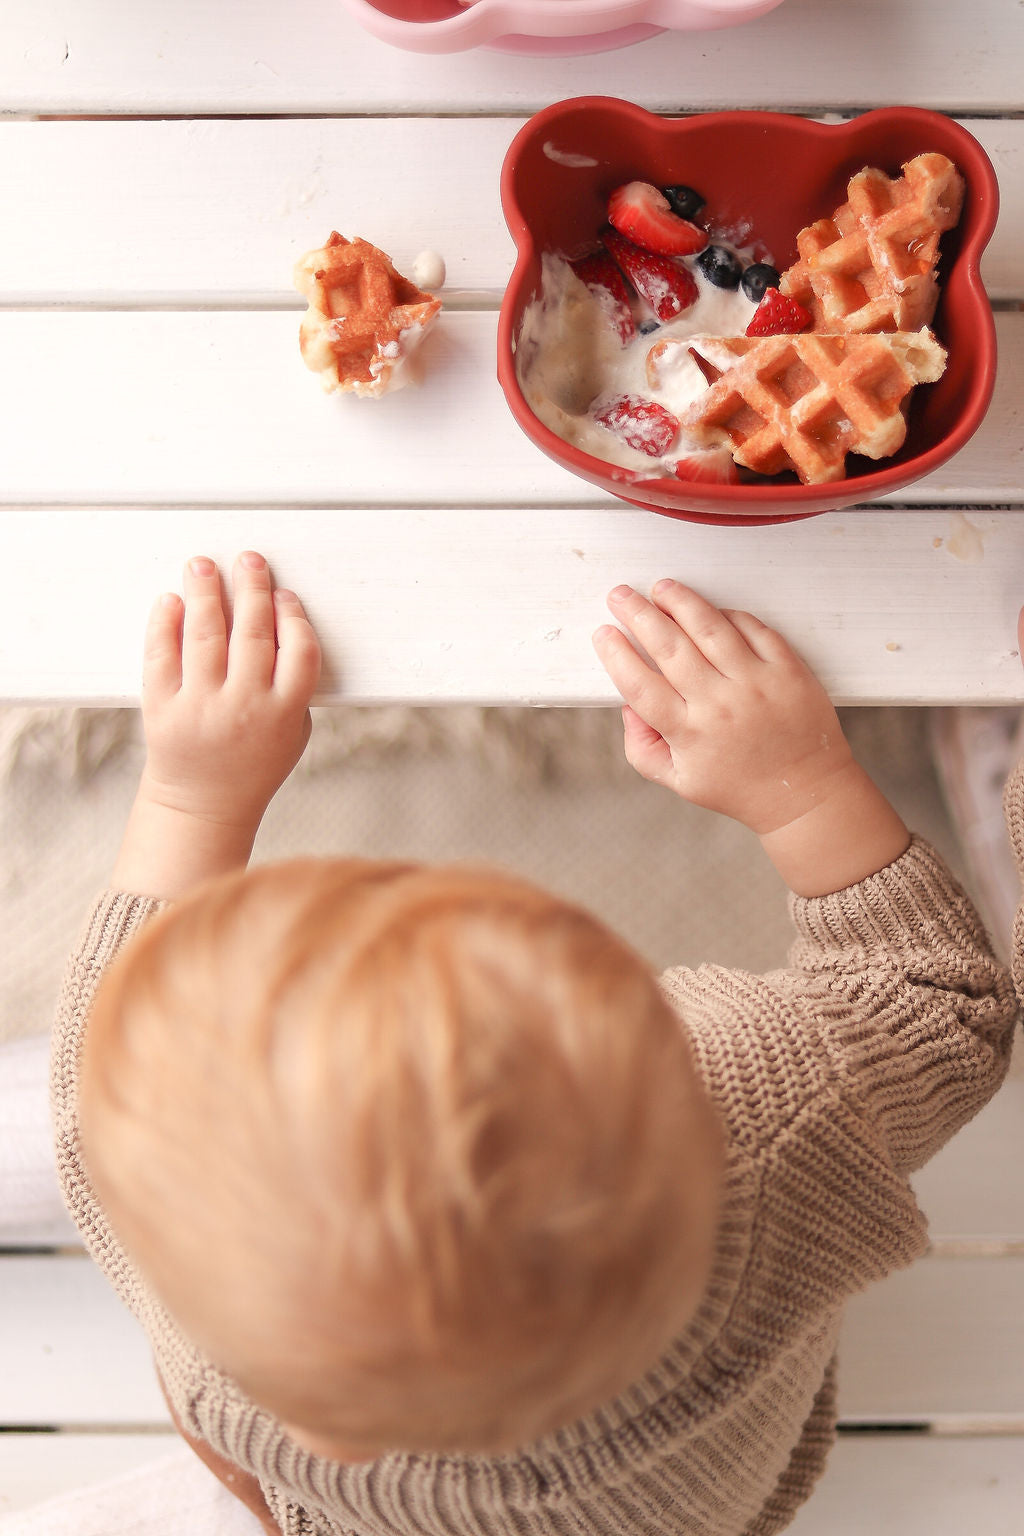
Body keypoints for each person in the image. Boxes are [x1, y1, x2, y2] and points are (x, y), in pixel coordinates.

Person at [52, 552, 1017, 1536]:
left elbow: (102, 1065)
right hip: (706, 1474)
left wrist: (195, 798)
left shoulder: (210, 1318)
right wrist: (798, 785)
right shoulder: (767, 1128)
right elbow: (934, 998)